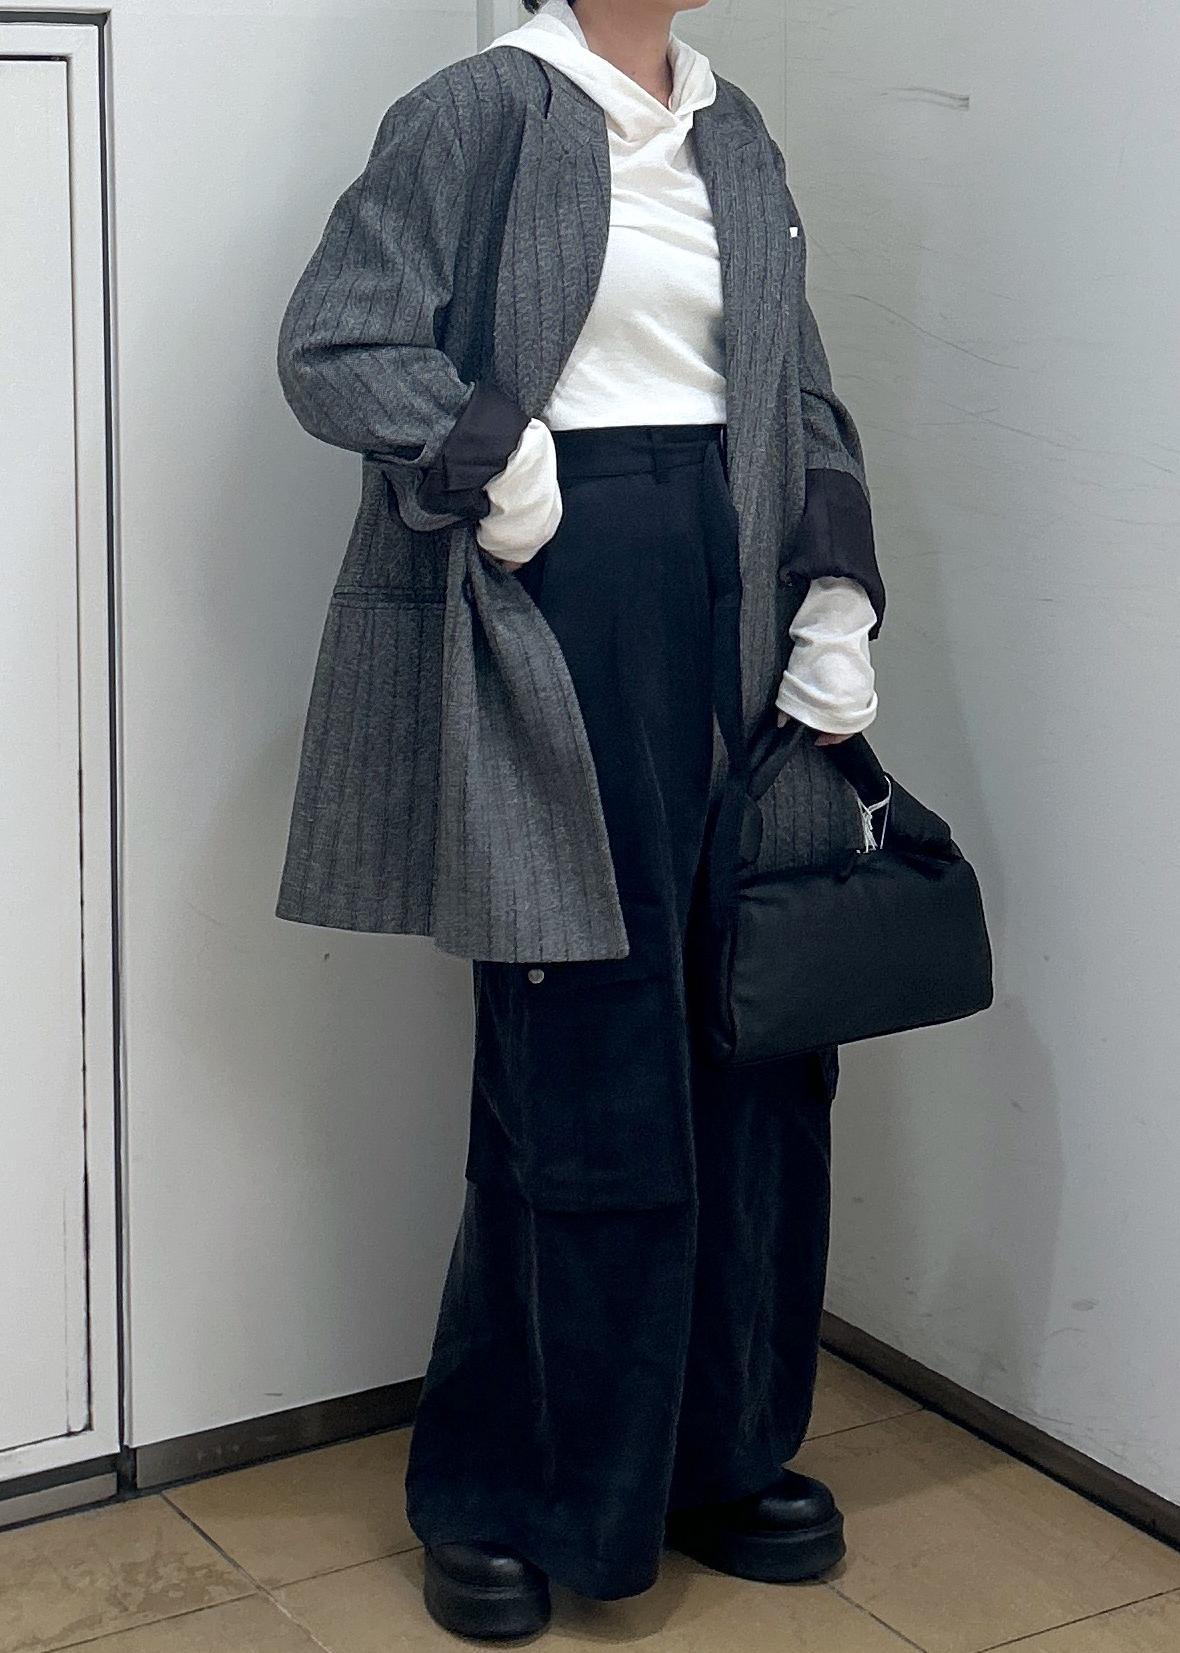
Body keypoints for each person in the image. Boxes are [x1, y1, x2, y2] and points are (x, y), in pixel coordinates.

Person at [275, 0, 887, 1638]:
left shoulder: (735, 133)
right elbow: (337, 339)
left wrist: (837, 594)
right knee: (581, 1042)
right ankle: (514, 1483)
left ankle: (717, 1448)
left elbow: (798, 385)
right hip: (562, 593)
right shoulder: (483, 109)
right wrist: (496, 456)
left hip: (735, 588)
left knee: (753, 1027)